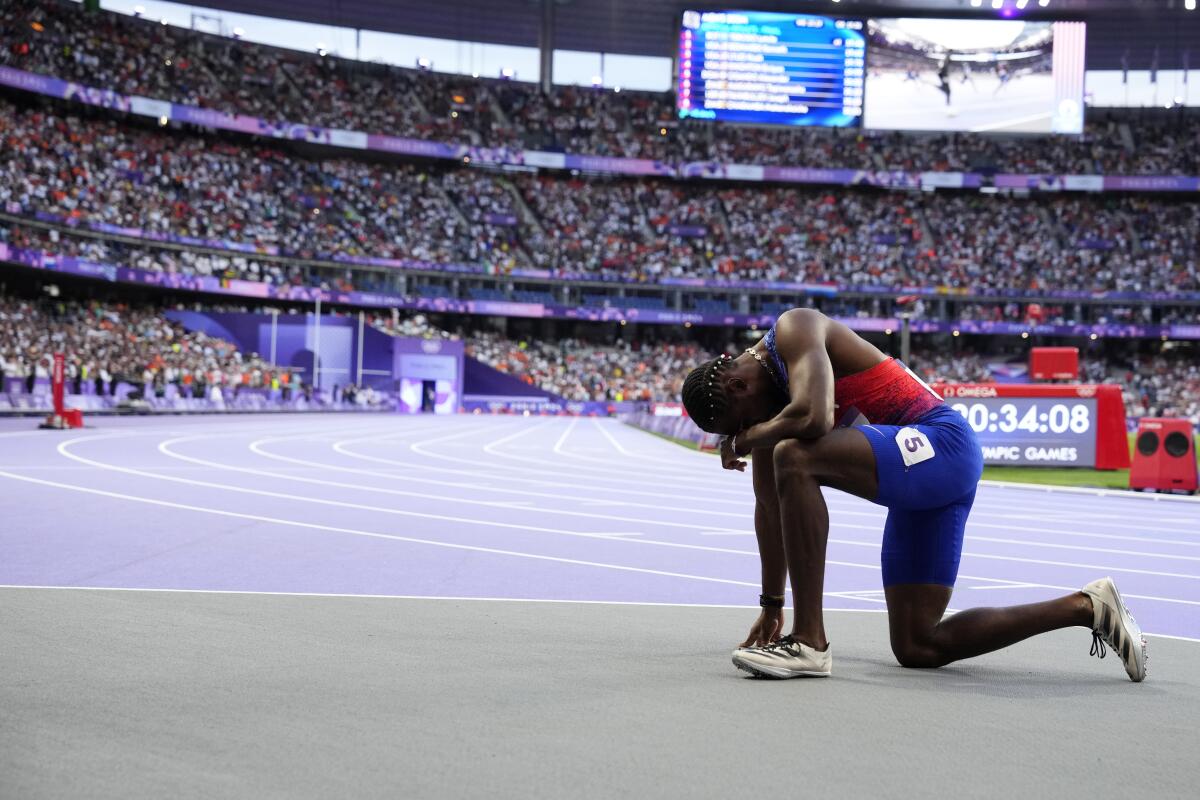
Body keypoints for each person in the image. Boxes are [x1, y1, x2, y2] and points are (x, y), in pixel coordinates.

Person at [680, 309, 1147, 681]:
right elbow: (768, 505)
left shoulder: (794, 329)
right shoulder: (773, 408)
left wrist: (743, 439)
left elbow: (816, 420)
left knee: (793, 455)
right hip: (922, 475)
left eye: (741, 423)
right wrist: (770, 605)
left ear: (739, 385)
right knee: (918, 645)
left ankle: (809, 642)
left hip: (944, 443)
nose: (748, 433)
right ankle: (1088, 607)